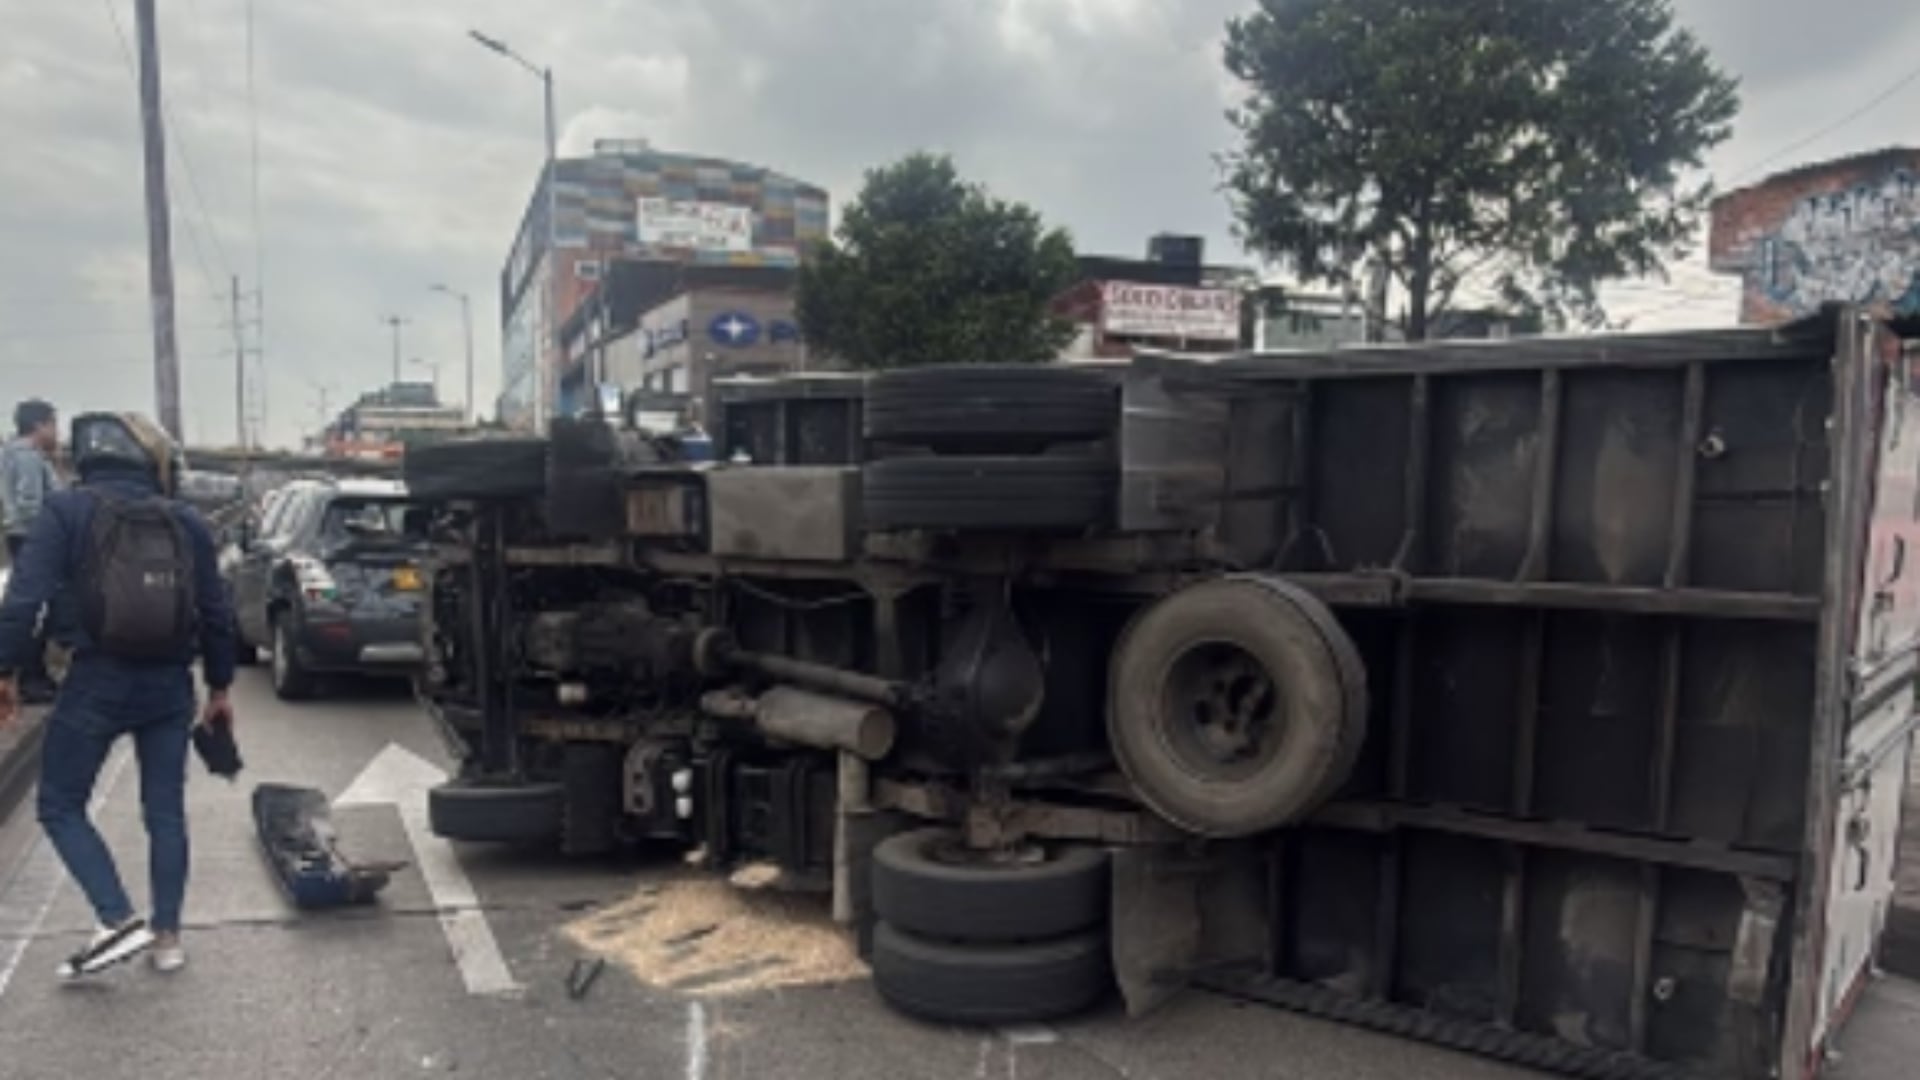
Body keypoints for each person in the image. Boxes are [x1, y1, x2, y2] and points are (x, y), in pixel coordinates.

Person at [0, 412, 235, 979]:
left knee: (59, 803)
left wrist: (5, 670)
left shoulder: (67, 511)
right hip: (169, 684)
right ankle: (168, 938)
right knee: (165, 812)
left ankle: (115, 915)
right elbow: (217, 611)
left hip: (96, 677)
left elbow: (22, 599)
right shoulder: (186, 521)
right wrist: (221, 687)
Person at [1, 399, 64, 703]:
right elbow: (29, 503)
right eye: (53, 424)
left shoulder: (11, 453)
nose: (56, 432)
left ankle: (32, 674)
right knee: (38, 610)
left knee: (29, 607)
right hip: (33, 536)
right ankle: (31, 678)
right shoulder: (27, 457)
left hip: (21, 535)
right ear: (39, 425)